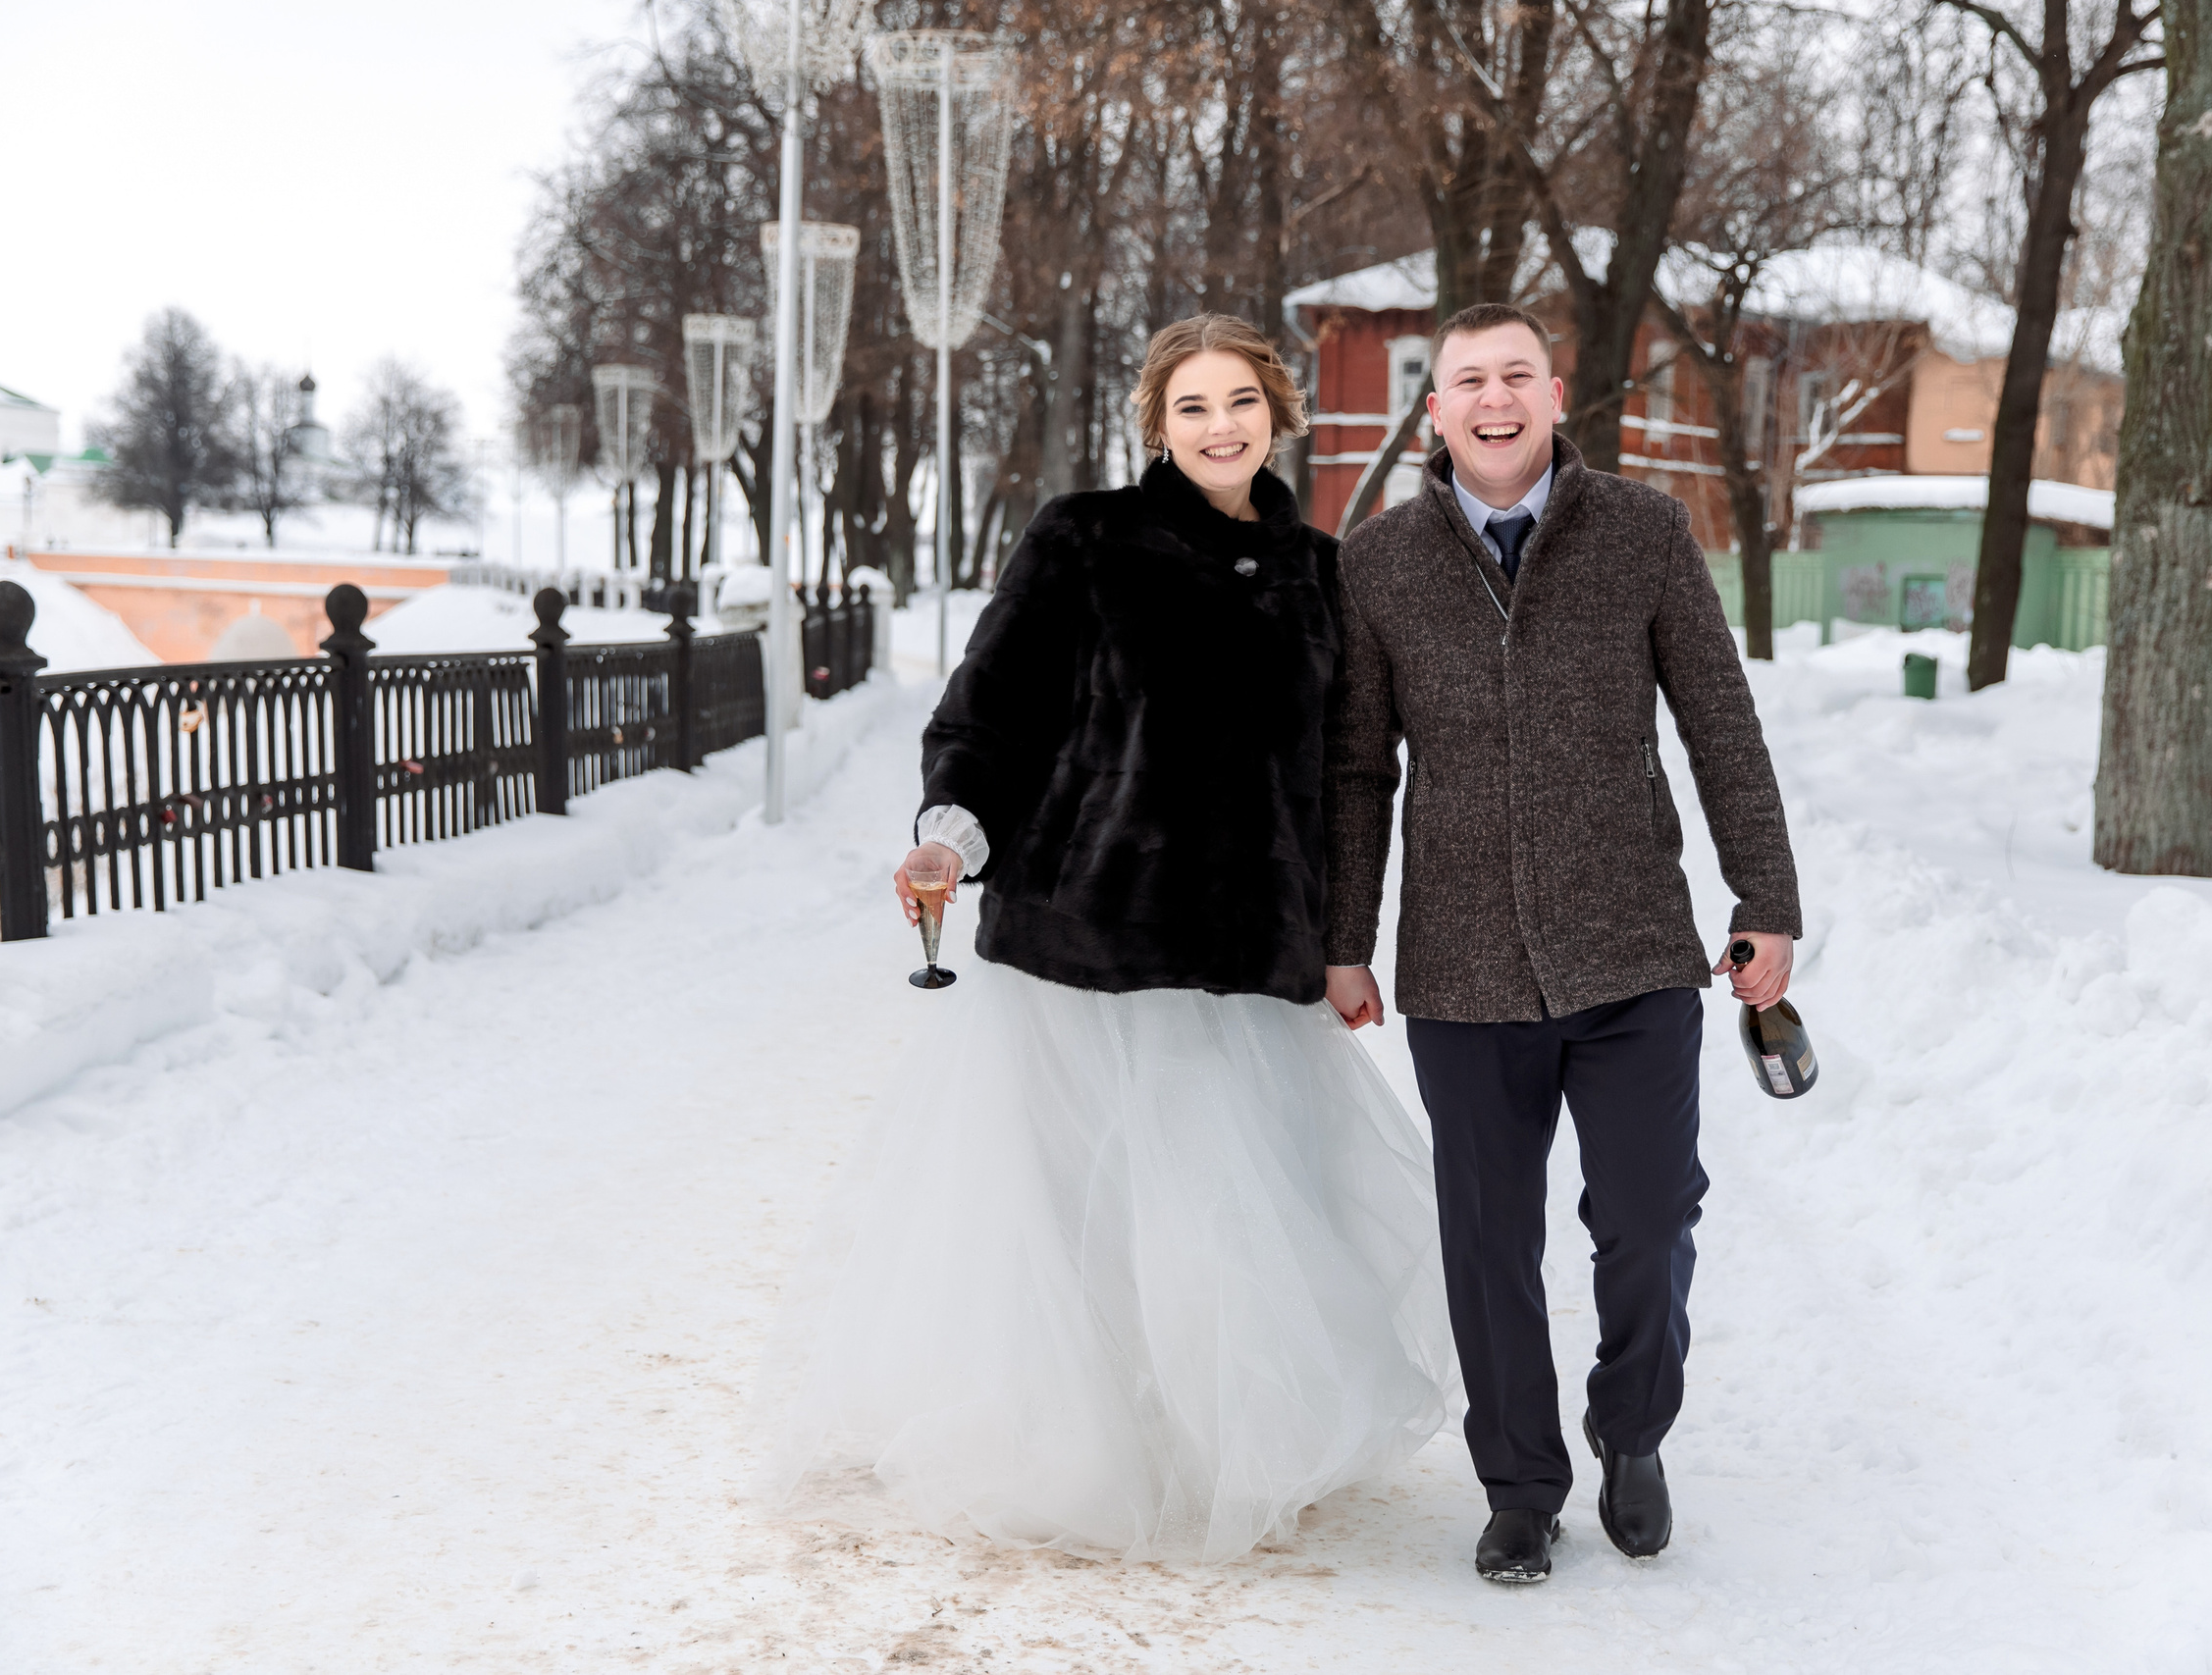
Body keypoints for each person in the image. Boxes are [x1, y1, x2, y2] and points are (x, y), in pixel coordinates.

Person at [759, 314, 1451, 1563]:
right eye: (1191, 405)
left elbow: (1348, 774)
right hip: (1087, 940)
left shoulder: (1321, 570)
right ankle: (1084, 1457)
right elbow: (988, 710)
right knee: (1088, 1217)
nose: (1219, 425)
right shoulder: (1083, 538)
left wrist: (1344, 939)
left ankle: (1219, 1450)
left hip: (1246, 959)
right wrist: (950, 838)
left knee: (1234, 1222)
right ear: (1155, 422)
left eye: (1240, 399)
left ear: (1278, 411)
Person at [1322, 303, 1804, 1582]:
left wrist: (1765, 897)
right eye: (1466, 379)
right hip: (1463, 967)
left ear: (1553, 392)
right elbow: (1360, 767)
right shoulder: (1377, 565)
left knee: (1648, 1216)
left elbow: (1721, 722)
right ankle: (1522, 1485)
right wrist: (1345, 935)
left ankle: (1632, 1427)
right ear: (1435, 410)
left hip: (1634, 950)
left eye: (1514, 375)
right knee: (1489, 1239)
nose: (1493, 397)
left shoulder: (1641, 531)